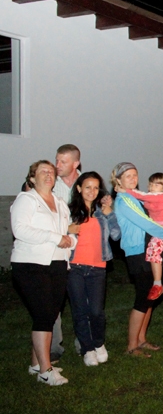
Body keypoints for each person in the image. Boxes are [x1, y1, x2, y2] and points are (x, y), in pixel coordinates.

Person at [11, 161, 75, 385]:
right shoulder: (26, 200)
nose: (49, 175)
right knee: (43, 314)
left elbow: (66, 232)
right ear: (32, 178)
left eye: (52, 172)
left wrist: (69, 240)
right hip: (31, 264)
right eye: (43, 172)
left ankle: (36, 363)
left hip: (57, 263)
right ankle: (46, 371)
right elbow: (20, 229)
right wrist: (56, 238)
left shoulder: (59, 203)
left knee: (49, 314)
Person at [112, 162, 163, 358]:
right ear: (118, 180)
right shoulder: (124, 201)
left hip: (149, 249)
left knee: (150, 297)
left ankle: (141, 339)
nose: (132, 179)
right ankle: (132, 346)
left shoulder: (134, 197)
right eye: (128, 176)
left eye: (135, 175)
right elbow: (145, 223)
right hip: (137, 251)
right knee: (142, 298)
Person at [66, 172, 120, 367]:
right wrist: (67, 228)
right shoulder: (69, 211)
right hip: (75, 267)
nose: (92, 191)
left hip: (98, 267)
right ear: (79, 188)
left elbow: (115, 235)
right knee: (80, 310)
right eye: (87, 187)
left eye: (96, 187)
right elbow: (59, 232)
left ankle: (98, 343)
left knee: (96, 311)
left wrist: (110, 213)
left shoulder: (101, 211)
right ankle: (87, 348)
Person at [125, 173, 163, 300]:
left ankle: (157, 284)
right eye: (151, 183)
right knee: (152, 251)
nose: (152, 186)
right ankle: (157, 282)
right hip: (157, 226)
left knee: (154, 252)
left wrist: (125, 190)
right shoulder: (157, 197)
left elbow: (140, 195)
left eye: (157, 184)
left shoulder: (158, 196)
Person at [51, 144, 81, 361]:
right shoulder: (51, 185)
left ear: (75, 163)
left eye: (63, 161)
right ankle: (53, 347)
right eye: (57, 160)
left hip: (83, 250)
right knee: (53, 299)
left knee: (82, 299)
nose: (57, 165)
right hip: (59, 248)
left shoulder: (88, 183)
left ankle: (85, 343)